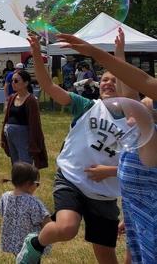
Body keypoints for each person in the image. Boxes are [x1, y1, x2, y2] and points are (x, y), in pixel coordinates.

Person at [15, 34, 126, 264]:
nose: (108, 83)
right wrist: (37, 53)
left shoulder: (135, 122)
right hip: (71, 178)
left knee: (106, 254)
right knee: (67, 228)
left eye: (115, 80)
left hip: (104, 193)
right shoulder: (86, 106)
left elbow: (138, 163)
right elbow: (47, 86)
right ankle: (34, 244)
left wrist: (109, 171)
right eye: (105, 79)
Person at [53, 29, 157, 263]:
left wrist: (99, 53)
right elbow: (137, 87)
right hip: (135, 203)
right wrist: (111, 55)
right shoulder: (144, 118)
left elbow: (139, 86)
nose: (144, 101)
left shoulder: (147, 124)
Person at [0, 162, 51, 257]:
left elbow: (2, 213)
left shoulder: (4, 197)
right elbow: (47, 223)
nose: (37, 187)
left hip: (12, 243)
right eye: (37, 184)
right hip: (31, 246)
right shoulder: (33, 202)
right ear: (28, 184)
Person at [0, 69, 48, 170]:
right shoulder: (12, 97)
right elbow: (6, 118)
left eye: (16, 81)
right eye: (12, 81)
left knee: (25, 164)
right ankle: (18, 183)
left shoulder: (31, 100)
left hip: (23, 137)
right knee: (15, 163)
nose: (13, 83)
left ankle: (28, 183)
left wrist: (34, 142)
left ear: (26, 83)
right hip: (10, 136)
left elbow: (35, 123)